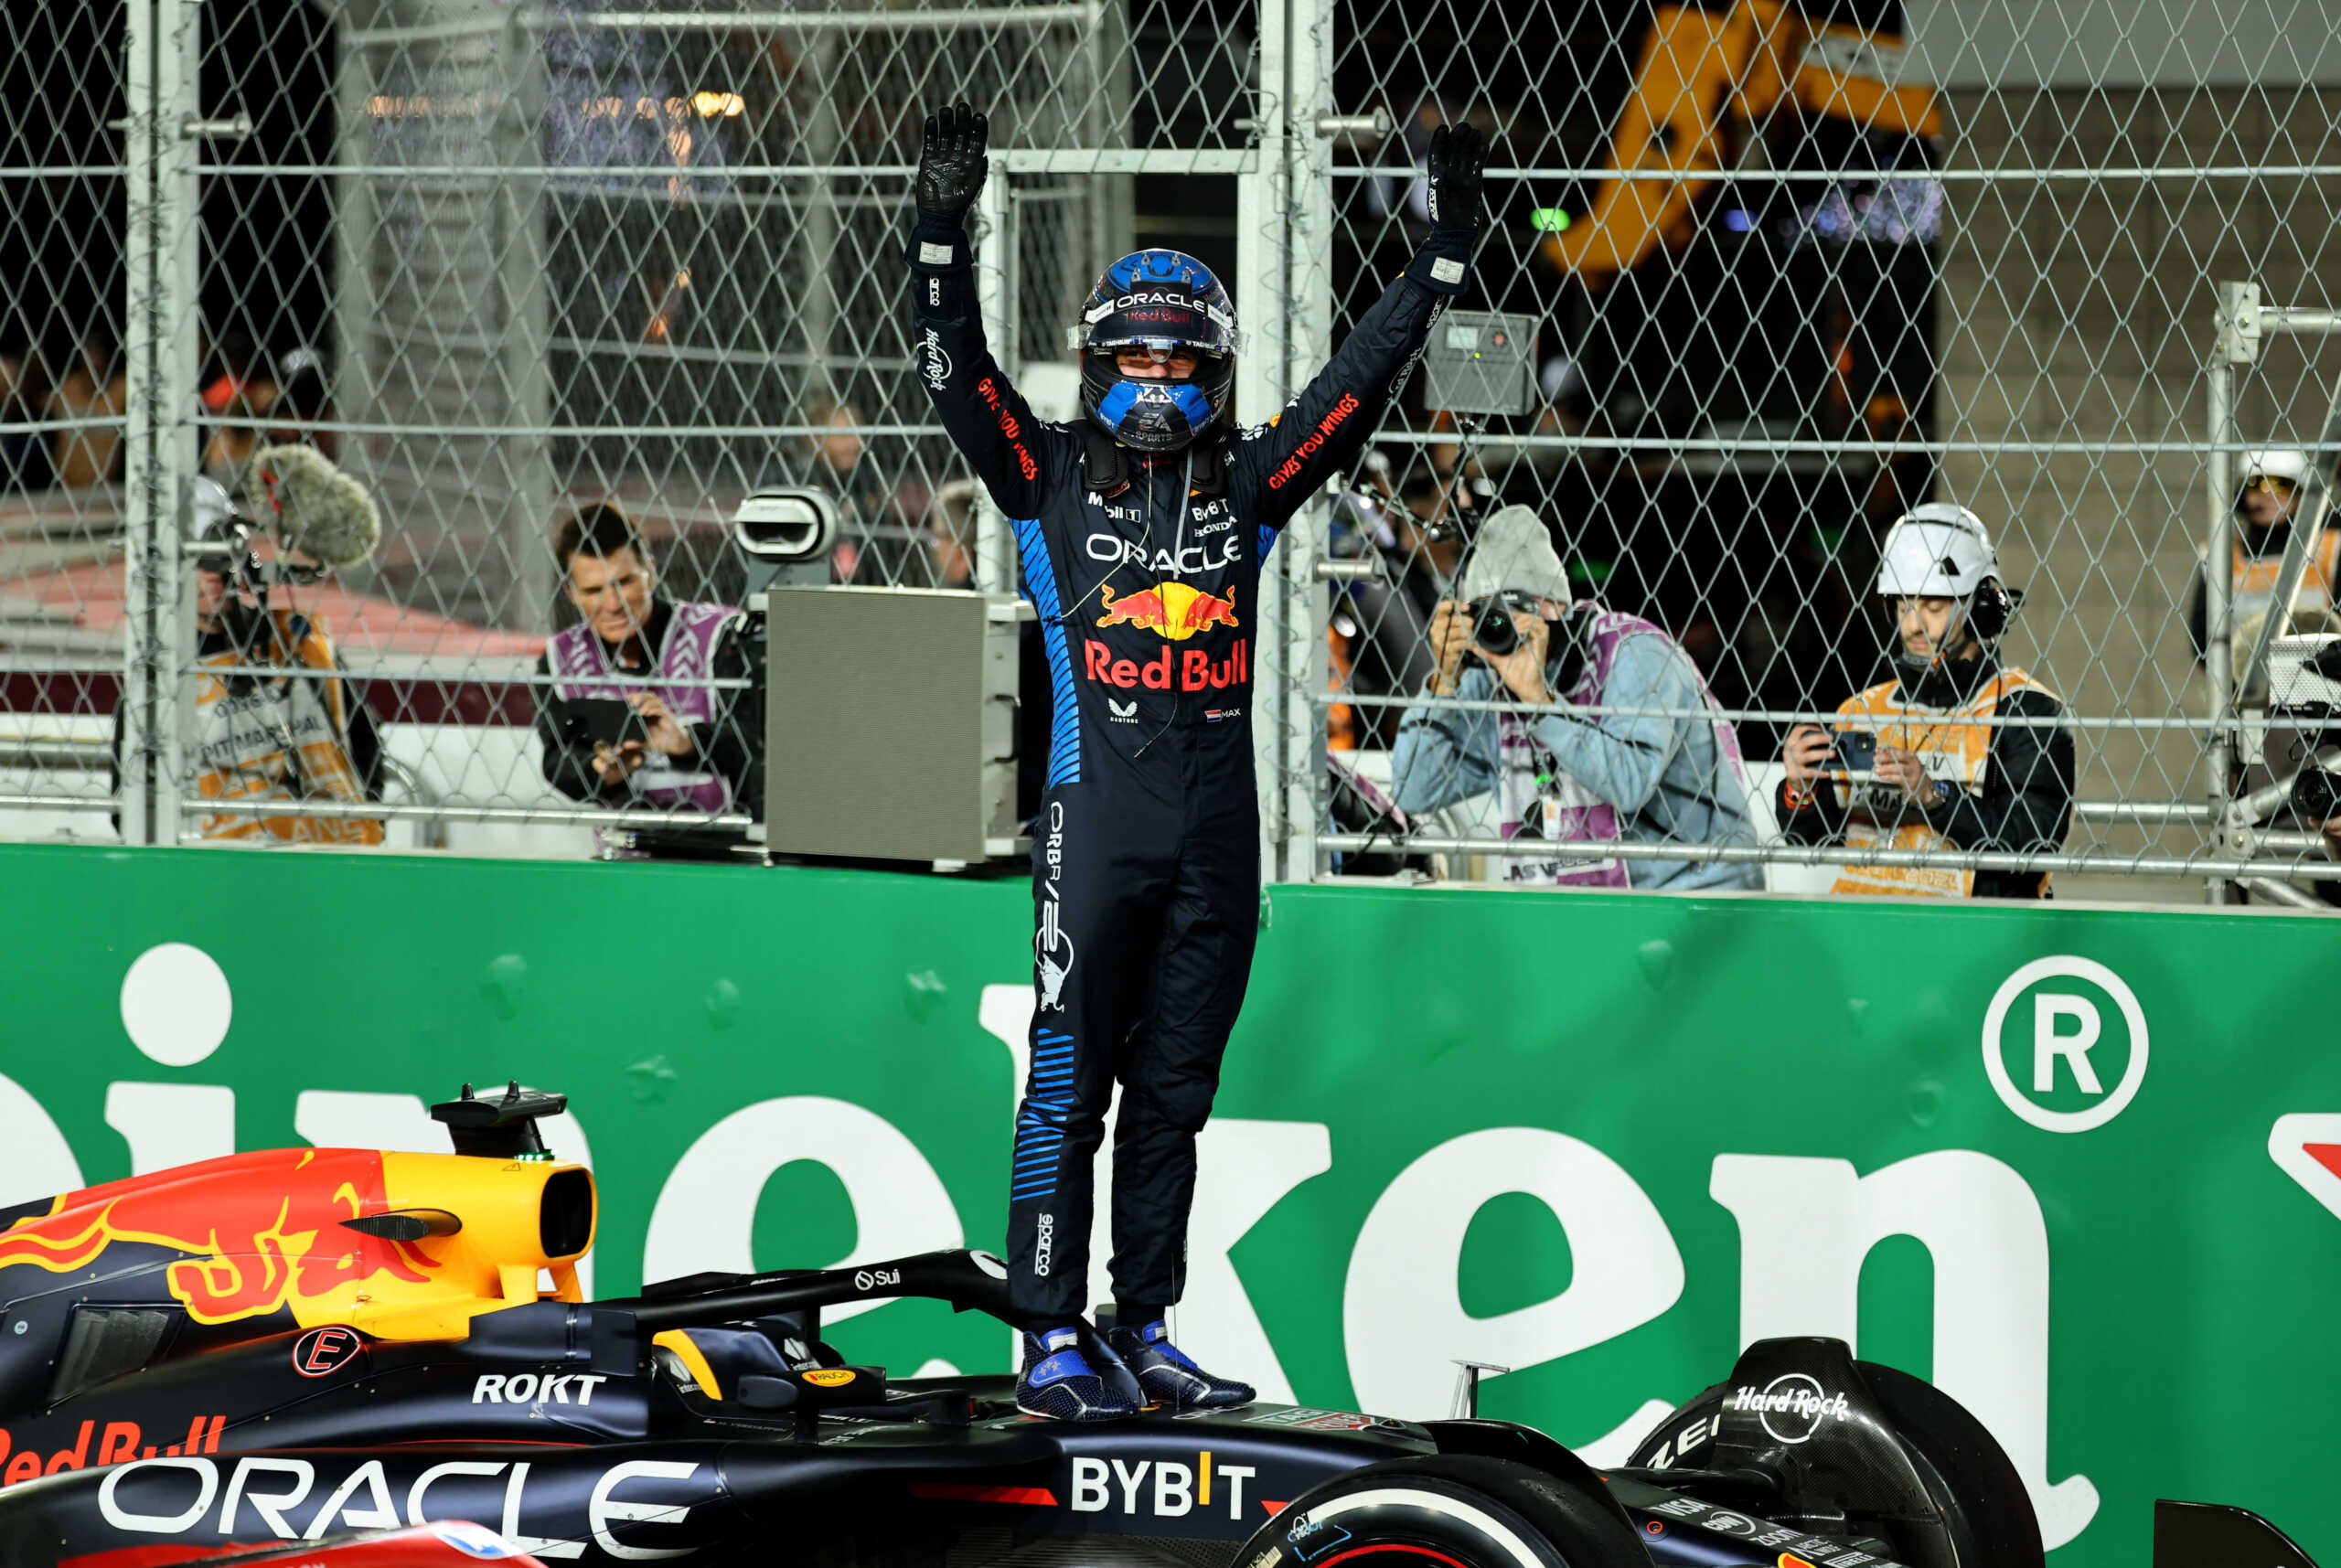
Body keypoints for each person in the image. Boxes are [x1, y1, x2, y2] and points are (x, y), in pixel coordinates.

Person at [907, 100, 1488, 1419]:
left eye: (1183, 360)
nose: (1161, 381)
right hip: (1090, 816)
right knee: (1070, 1075)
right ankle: (1047, 1339)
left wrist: (1444, 250)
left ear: (1213, 368)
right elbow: (952, 365)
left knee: (1175, 1093)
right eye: (1138, 358)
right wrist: (940, 223)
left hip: (1221, 830)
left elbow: (1357, 385)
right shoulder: (1040, 473)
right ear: (1097, 360)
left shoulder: (1250, 480)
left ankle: (1145, 1322)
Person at [1390, 506, 1760, 889]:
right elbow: (1414, 792)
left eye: (1514, 606)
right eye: (1487, 613)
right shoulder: (1489, 673)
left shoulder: (1633, 654)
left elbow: (1628, 785)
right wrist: (1442, 684)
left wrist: (1540, 703)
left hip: (1697, 890)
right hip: (1591, 909)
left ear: (1555, 607)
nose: (1499, 625)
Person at [1777, 502, 2074, 898]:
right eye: (1903, 606)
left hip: (1973, 935)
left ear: (1981, 607)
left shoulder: (2028, 711)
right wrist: (1800, 789)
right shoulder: (1864, 711)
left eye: (1934, 606)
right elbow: (1812, 841)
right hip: (1863, 932)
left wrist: (1936, 798)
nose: (1913, 625)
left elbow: (2033, 845)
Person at [112, 476, 384, 844]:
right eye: (200, 561)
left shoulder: (298, 641)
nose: (215, 575)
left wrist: (368, 820)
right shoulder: (156, 675)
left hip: (328, 858)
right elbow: (125, 802)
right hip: (216, 874)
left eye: (223, 559)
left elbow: (364, 739)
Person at [535, 503, 749, 816]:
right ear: (570, 592)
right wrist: (599, 771)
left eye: (624, 583)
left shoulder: (719, 635)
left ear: (650, 570)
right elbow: (557, 760)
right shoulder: (562, 657)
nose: (612, 604)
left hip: (730, 852)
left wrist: (687, 743)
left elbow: (763, 746)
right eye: (593, 590)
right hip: (623, 854)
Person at [2187, 448, 2341, 662]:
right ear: (2242, 494)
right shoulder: (2222, 556)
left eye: (2281, 486)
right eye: (2257, 485)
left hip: (2319, 683)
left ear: (2301, 494)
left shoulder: (2331, 547)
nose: (2269, 495)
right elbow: (2202, 639)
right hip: (2244, 686)